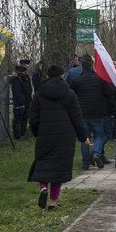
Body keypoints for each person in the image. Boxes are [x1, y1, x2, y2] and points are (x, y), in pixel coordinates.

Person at [28, 64, 91, 210]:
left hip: (45, 133)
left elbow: (33, 116)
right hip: (65, 135)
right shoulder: (69, 93)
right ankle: (53, 202)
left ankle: (43, 188)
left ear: (48, 76)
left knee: (43, 163)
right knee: (59, 169)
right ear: (62, 75)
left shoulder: (39, 94)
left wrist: (37, 131)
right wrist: (83, 136)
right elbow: (76, 117)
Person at [70, 53, 116, 169]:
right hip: (98, 112)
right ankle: (96, 153)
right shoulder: (99, 79)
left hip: (83, 113)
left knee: (84, 138)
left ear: (82, 66)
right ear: (92, 66)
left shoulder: (77, 80)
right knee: (99, 136)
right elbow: (110, 92)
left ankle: (85, 163)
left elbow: (71, 94)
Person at [10, 61, 33, 139]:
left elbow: (29, 90)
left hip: (27, 101)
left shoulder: (26, 77)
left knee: (24, 118)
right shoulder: (15, 78)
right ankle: (17, 135)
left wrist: (29, 100)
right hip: (19, 102)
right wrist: (21, 102)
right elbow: (17, 92)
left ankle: (23, 133)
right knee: (17, 119)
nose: (27, 67)